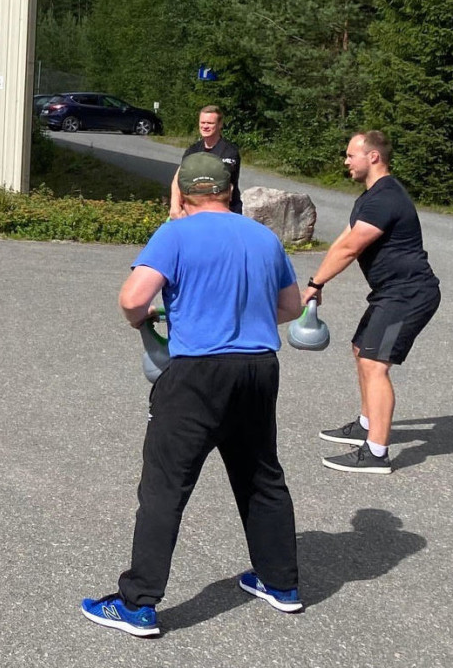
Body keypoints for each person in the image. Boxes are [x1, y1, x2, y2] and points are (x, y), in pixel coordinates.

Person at [81, 151, 305, 638]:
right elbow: (289, 306)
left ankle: (138, 603)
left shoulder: (176, 233)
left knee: (165, 485)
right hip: (258, 369)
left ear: (183, 192)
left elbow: (133, 298)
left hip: (197, 373)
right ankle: (280, 583)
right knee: (261, 475)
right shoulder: (264, 237)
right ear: (230, 191)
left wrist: (147, 321)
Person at [308, 131, 440, 475]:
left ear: (373, 157)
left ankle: (377, 453)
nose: (346, 161)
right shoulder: (371, 196)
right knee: (360, 348)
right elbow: (344, 241)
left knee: (374, 363)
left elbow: (352, 250)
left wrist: (316, 283)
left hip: (409, 293)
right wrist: (317, 280)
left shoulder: (386, 198)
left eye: (352, 155)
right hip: (390, 291)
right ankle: (368, 424)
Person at [170, 105, 243, 217]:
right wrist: (175, 206)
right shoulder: (192, 150)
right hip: (194, 212)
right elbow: (178, 178)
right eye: (202, 122)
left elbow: (222, 186)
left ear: (220, 125)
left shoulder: (229, 152)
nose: (205, 126)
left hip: (225, 212)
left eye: (210, 123)